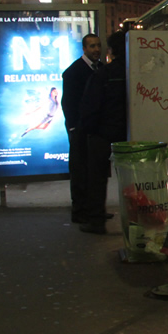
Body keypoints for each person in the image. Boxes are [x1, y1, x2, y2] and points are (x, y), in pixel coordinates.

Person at [77, 31, 128, 234]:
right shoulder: (136, 72)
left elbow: (90, 107)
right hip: (128, 133)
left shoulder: (103, 74)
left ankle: (96, 220)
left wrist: (88, 130)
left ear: (111, 50)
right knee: (132, 177)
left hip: (103, 134)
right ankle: (137, 219)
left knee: (96, 179)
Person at [62, 33, 103, 224]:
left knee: (93, 171)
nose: (96, 50)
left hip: (95, 128)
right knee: (79, 171)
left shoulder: (101, 69)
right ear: (84, 49)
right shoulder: (73, 72)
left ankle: (92, 208)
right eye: (92, 46)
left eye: (98, 46)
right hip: (79, 129)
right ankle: (79, 210)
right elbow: (67, 103)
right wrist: (72, 128)